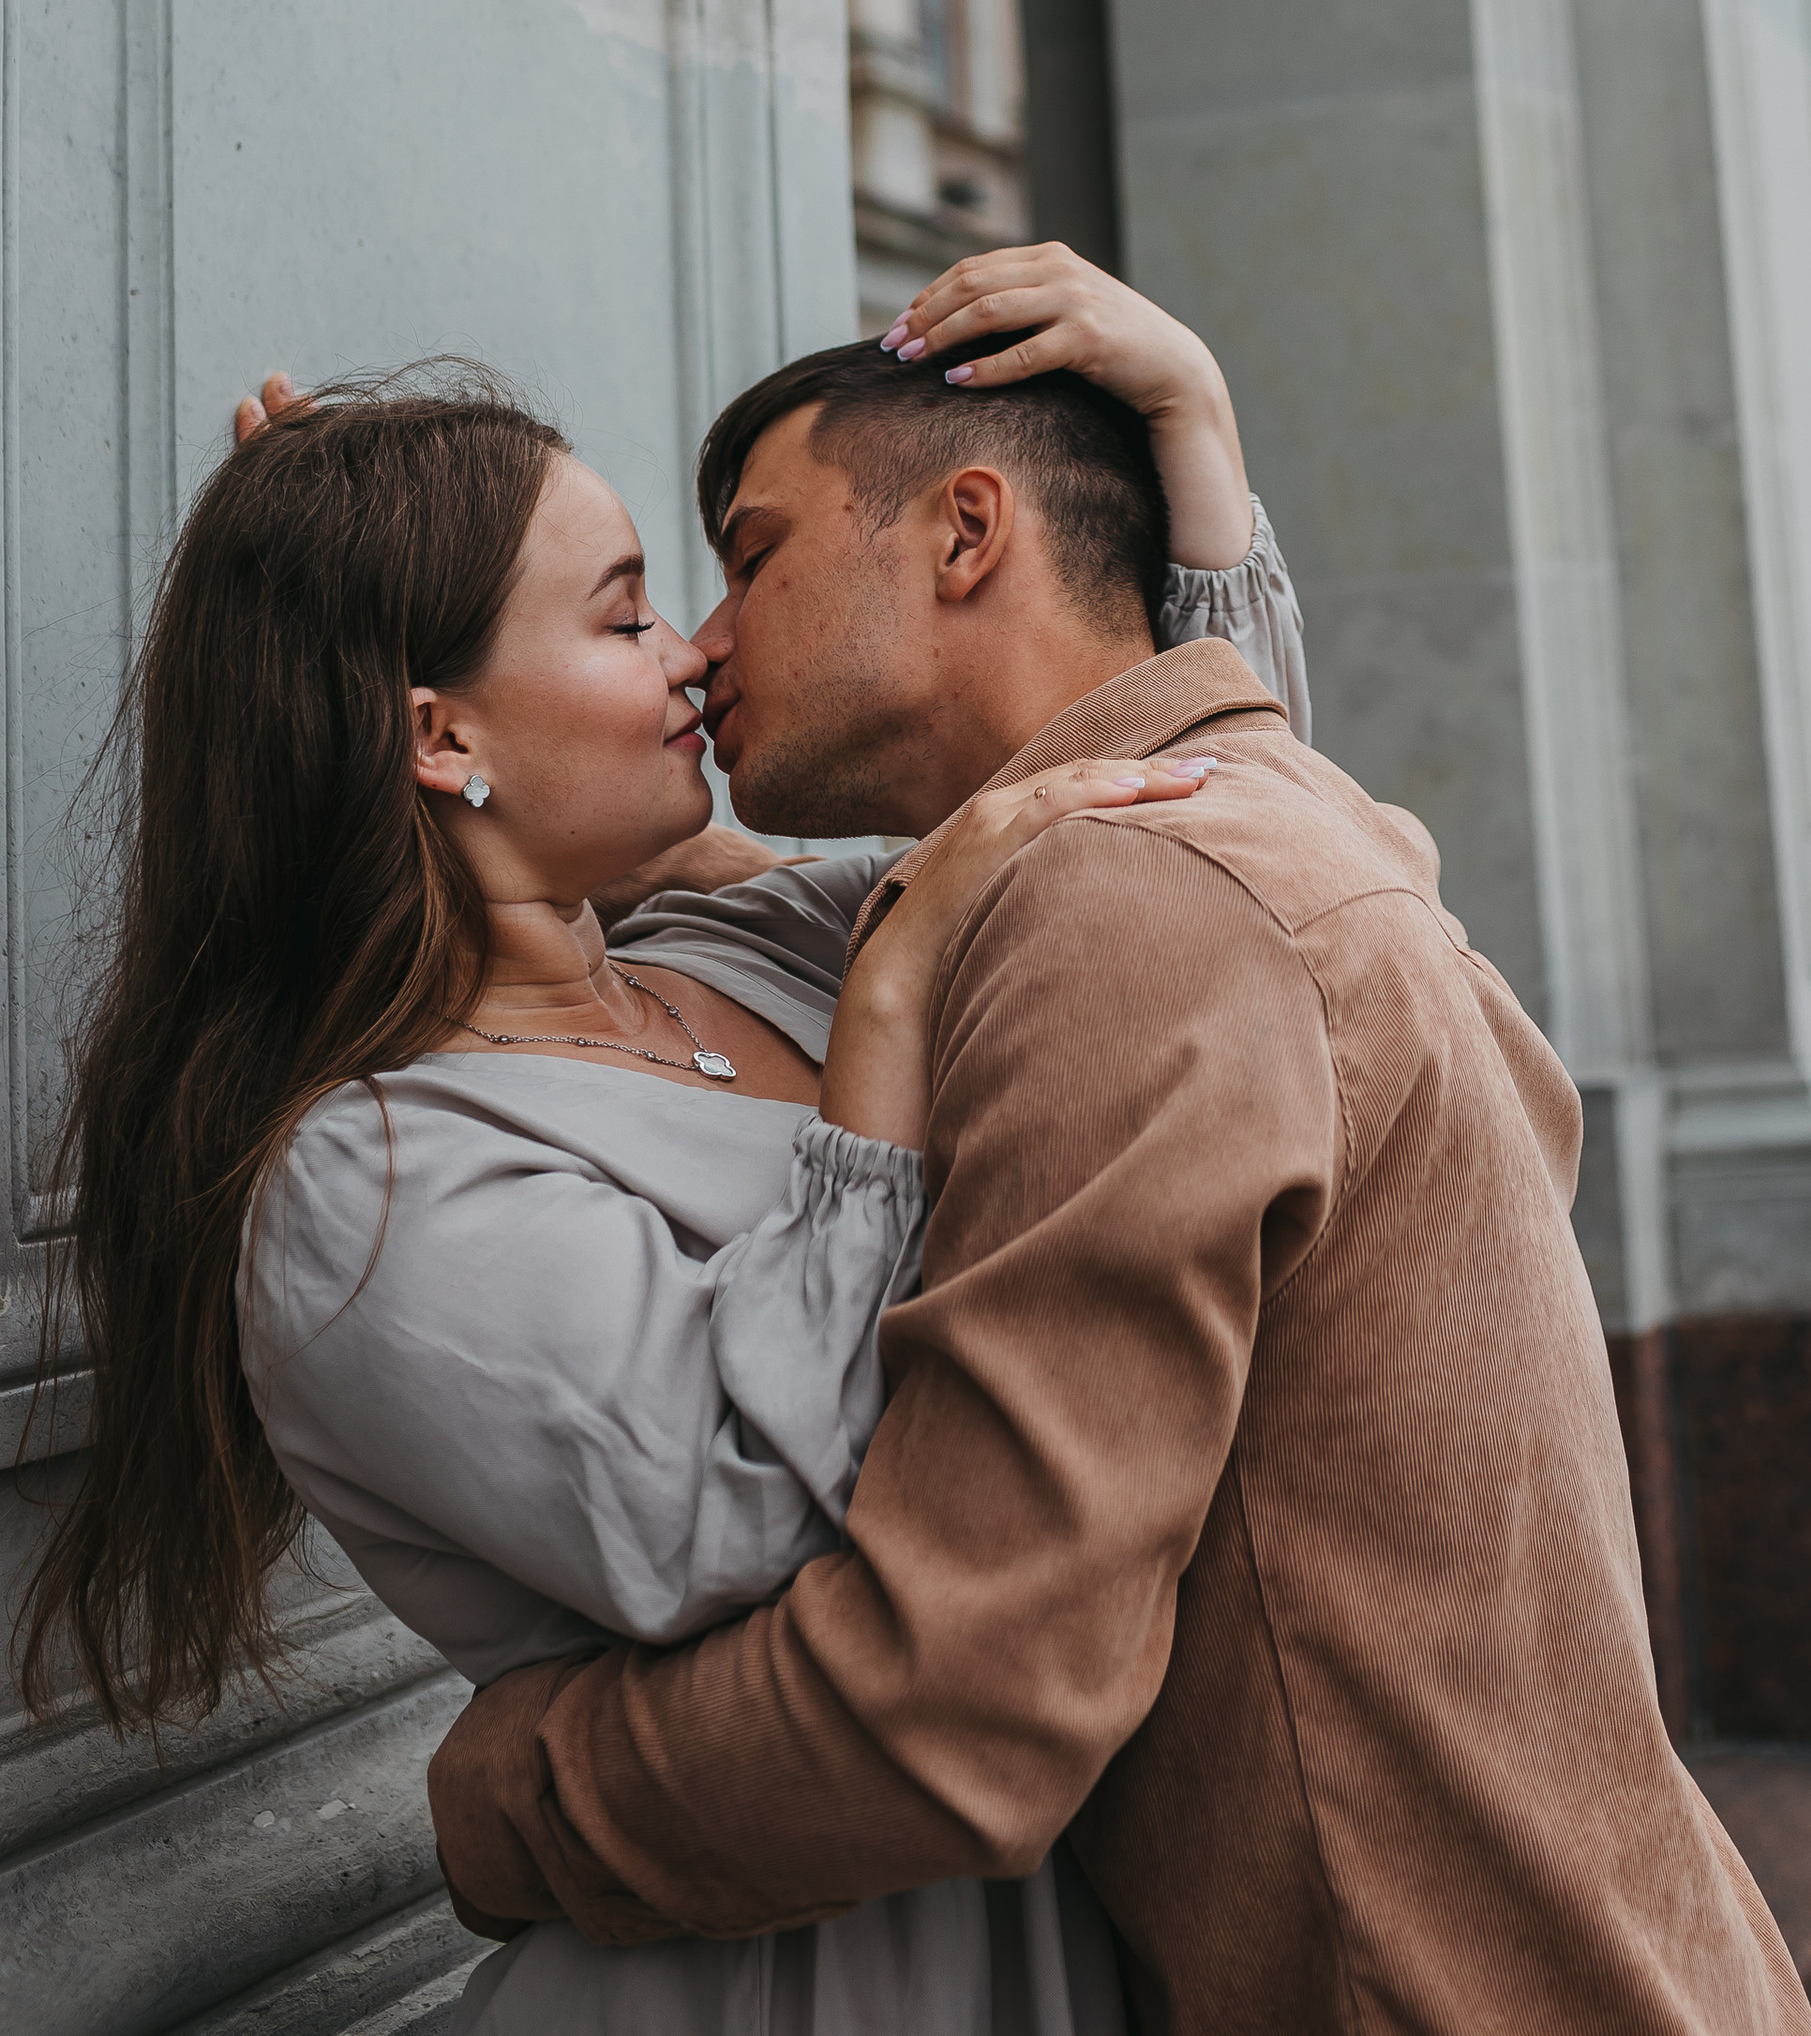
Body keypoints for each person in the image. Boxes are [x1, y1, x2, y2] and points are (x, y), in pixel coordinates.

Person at [429, 308, 1811, 2034]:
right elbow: (584, 852)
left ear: (966, 532)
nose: (701, 651)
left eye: (748, 561)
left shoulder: (1122, 900)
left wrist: (501, 1796)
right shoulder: (1262, 816)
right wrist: (346, 654)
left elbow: (958, 1712)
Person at [18, 250, 1307, 2036]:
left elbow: (1208, 850)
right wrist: (881, 1043)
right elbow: (766, 1531)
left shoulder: (744, 946)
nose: (697, 654)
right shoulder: (362, 1190)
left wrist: (1193, 436)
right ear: (442, 735)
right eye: (626, 617)